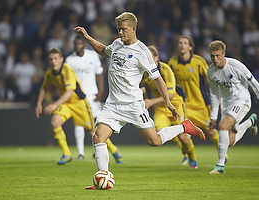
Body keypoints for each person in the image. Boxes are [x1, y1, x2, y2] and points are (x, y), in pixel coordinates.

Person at [74, 12, 206, 190]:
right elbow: (102, 50)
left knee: (154, 141)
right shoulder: (117, 44)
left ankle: (184, 127)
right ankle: (102, 177)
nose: (120, 33)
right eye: (119, 29)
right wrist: (87, 37)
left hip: (134, 105)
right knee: (98, 137)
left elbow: (157, 78)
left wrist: (167, 101)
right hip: (113, 105)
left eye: (123, 29)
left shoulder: (143, 52)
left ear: (133, 29)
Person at [207, 40, 259, 174]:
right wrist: (213, 116)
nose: (215, 59)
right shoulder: (211, 71)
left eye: (217, 56)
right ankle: (250, 122)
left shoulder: (235, 65)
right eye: (212, 56)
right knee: (229, 142)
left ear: (223, 54)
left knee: (222, 126)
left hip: (242, 101)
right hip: (227, 105)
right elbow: (214, 94)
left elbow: (253, 82)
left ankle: (220, 166)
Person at [65, 35, 123, 163]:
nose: (78, 46)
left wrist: (101, 90)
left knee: (98, 124)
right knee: (79, 124)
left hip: (92, 95)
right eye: (76, 44)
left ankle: (107, 149)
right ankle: (81, 153)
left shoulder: (92, 56)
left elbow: (99, 74)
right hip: (77, 98)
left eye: (80, 43)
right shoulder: (69, 60)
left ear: (84, 44)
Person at [143, 45, 198, 169]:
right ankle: (180, 140)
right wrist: (149, 99)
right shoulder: (145, 72)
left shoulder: (166, 70)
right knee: (158, 135)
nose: (146, 60)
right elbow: (147, 86)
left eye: (149, 57)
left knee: (183, 137)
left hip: (176, 105)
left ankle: (192, 159)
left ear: (156, 57)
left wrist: (151, 101)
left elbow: (171, 95)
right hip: (160, 108)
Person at [168, 35, 220, 164]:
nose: (182, 45)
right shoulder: (172, 63)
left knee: (211, 131)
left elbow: (210, 81)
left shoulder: (198, 61)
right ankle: (191, 159)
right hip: (183, 105)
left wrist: (218, 97)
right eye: (180, 42)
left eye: (185, 43)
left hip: (201, 104)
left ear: (190, 47)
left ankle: (221, 153)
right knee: (182, 133)